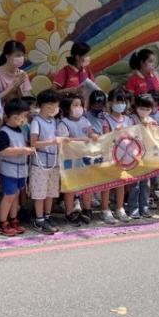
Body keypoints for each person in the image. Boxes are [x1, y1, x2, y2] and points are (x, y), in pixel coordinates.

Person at [0, 99, 35, 236]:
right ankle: (2, 223)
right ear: (14, 116)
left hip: (20, 169)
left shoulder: (21, 130)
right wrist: (22, 150)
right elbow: (3, 151)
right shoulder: (3, 132)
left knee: (16, 195)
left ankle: (13, 219)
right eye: (23, 116)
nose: (24, 119)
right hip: (9, 170)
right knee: (9, 196)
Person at [57, 95, 96, 223]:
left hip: (85, 159)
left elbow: (91, 133)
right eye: (75, 105)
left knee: (87, 185)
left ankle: (87, 209)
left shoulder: (85, 120)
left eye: (80, 105)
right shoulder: (63, 123)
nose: (79, 108)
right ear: (67, 108)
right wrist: (82, 140)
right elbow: (64, 141)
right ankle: (69, 211)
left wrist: (94, 136)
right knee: (71, 187)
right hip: (70, 160)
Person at [29, 90, 63, 235]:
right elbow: (33, 143)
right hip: (40, 162)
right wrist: (51, 141)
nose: (52, 109)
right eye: (49, 106)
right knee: (40, 192)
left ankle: (47, 216)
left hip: (53, 161)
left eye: (55, 106)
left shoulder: (54, 121)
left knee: (50, 192)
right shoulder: (36, 121)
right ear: (41, 106)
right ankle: (39, 219)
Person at [100, 89, 133, 223]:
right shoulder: (106, 119)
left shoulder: (128, 119)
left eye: (122, 101)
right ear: (110, 103)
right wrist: (116, 133)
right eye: (117, 101)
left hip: (124, 156)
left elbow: (133, 136)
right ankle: (105, 209)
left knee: (121, 183)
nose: (120, 104)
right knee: (108, 183)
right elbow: (106, 137)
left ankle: (120, 208)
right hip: (110, 156)